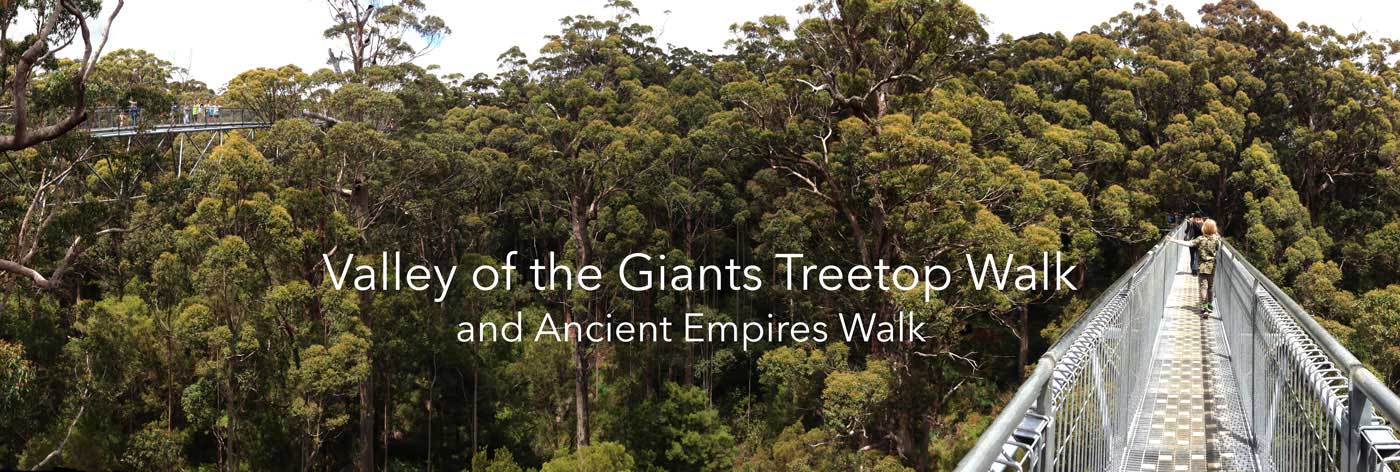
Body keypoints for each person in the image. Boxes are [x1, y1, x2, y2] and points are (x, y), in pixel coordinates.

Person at [1170, 218, 1221, 318]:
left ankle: (1204, 306)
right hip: (1212, 267)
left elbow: (1188, 243)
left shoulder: (1200, 239)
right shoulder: (1216, 240)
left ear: (1204, 228)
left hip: (1202, 267)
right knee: (1210, 287)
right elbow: (1218, 246)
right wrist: (1217, 236)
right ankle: (1210, 305)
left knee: (1203, 287)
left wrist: (1174, 241)